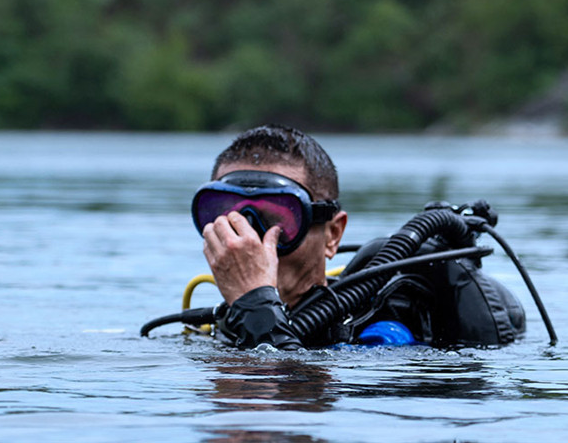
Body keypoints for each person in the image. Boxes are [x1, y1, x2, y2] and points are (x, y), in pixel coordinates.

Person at [192, 124, 525, 350]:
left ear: (332, 234)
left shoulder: (382, 334)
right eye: (229, 217)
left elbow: (278, 401)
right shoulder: (217, 328)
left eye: (279, 218)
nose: (247, 241)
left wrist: (255, 303)